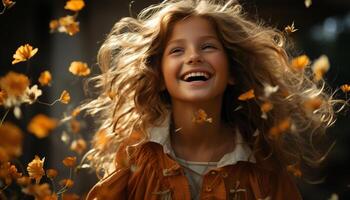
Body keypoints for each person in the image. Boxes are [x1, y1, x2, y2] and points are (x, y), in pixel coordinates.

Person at [83, 0, 342, 199]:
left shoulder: (263, 170)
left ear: (231, 72)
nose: (194, 57)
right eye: (177, 50)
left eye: (208, 46)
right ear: (159, 76)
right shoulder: (135, 159)